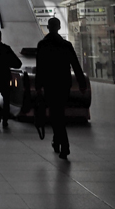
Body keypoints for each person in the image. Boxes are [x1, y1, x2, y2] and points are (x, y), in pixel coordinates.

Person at [36, 17, 87, 160]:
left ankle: (64, 145)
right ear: (58, 27)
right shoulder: (66, 45)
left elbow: (40, 67)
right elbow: (76, 65)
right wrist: (82, 83)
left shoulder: (42, 45)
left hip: (50, 85)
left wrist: (38, 86)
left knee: (55, 114)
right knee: (59, 113)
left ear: (48, 27)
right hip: (64, 84)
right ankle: (57, 141)